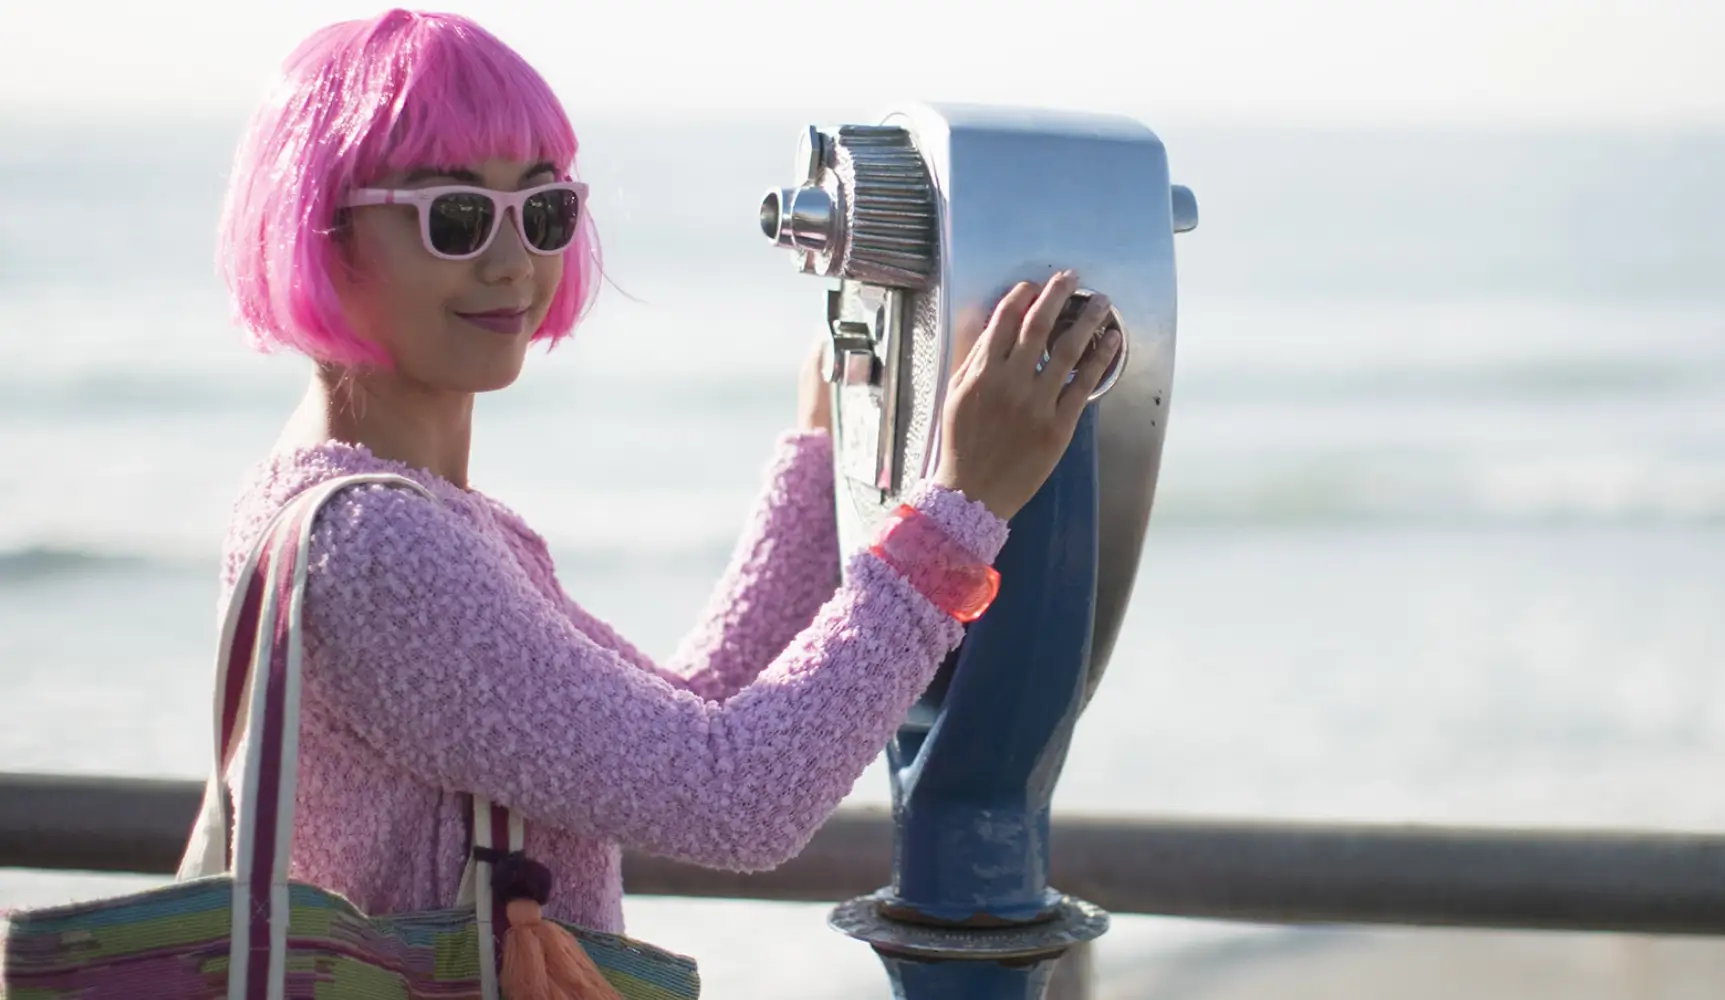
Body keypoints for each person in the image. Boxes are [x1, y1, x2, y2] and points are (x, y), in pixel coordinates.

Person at [211, 9, 1117, 933]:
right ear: (322, 232)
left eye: (544, 209)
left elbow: (687, 725)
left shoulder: (372, 507)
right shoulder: (376, 549)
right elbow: (736, 800)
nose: (513, 261)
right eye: (456, 216)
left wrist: (816, 455)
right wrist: (959, 511)